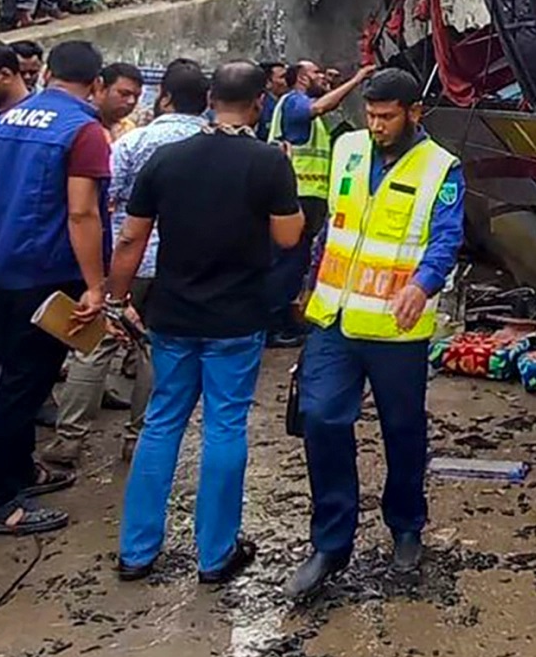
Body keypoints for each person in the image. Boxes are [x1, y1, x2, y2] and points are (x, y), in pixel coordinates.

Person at [113, 60, 303, 585]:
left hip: (173, 313)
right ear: (260, 102)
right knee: (224, 426)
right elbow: (289, 239)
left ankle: (136, 551)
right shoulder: (267, 162)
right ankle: (215, 555)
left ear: (209, 99)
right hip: (235, 317)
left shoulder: (167, 158)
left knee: (162, 422)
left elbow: (131, 238)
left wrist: (115, 299)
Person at [286, 67, 464, 599]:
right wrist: (308, 285)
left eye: (388, 116)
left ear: (415, 113)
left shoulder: (441, 169)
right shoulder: (349, 150)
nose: (377, 125)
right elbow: (332, 228)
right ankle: (330, 543)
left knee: (403, 430)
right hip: (334, 320)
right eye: (371, 114)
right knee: (319, 419)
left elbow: (446, 238)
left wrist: (424, 286)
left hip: (395, 327)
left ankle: (406, 527)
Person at [0, 40, 111, 535]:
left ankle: (20, 469)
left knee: (7, 378)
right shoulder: (84, 131)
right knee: (23, 387)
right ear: (96, 85)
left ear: (48, 72)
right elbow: (81, 211)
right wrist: (96, 286)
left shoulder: (4, 120)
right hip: (46, 277)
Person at [63, 58, 211, 465]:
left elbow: (106, 199)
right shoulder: (216, 146)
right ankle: (139, 437)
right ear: (208, 101)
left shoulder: (132, 143)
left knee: (94, 343)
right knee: (158, 348)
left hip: (128, 257)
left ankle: (69, 439)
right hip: (183, 263)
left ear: (164, 98)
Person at [266, 61, 375, 348]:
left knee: (296, 262)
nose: (321, 76)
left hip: (306, 194)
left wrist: (332, 84)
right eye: (315, 73)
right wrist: (357, 79)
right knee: (288, 263)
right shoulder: (294, 102)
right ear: (301, 77)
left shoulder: (301, 104)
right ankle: (273, 324)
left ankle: (284, 320)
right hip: (296, 193)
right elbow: (319, 108)